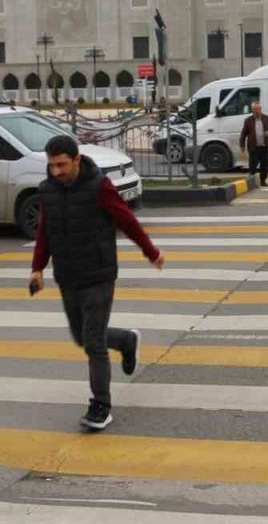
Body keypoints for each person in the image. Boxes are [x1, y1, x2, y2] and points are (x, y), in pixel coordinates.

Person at [29, 135, 165, 431]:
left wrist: (151, 252)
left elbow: (127, 220)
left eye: (62, 165)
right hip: (67, 275)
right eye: (52, 165)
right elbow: (45, 231)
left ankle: (100, 406)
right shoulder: (48, 190)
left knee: (93, 343)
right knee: (82, 337)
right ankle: (126, 341)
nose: (56, 171)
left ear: (77, 160)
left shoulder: (99, 186)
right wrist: (37, 268)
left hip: (98, 274)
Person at [239, 100, 268, 187]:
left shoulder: (266, 118)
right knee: (253, 166)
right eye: (254, 109)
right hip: (253, 147)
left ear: (260, 109)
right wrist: (242, 145)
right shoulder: (248, 120)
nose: (256, 111)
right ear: (252, 110)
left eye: (258, 109)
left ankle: (263, 181)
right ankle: (252, 181)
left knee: (264, 165)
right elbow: (243, 134)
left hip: (264, 146)